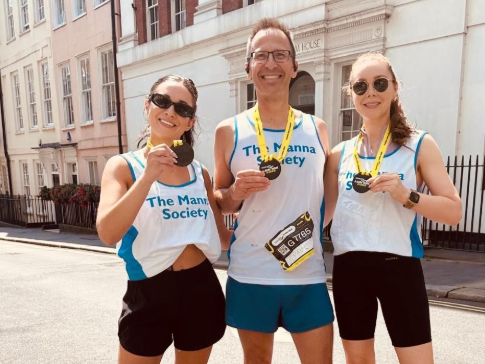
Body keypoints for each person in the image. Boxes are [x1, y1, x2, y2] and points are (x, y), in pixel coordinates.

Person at [324, 52, 462, 364]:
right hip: (349, 269)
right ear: (351, 94)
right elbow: (323, 215)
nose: (370, 92)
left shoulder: (419, 144)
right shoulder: (339, 154)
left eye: (380, 83)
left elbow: (454, 211)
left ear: (395, 88)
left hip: (399, 266)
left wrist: (406, 195)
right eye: (361, 86)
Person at [214, 18, 334, 364]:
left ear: (294, 66)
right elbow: (220, 202)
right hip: (251, 273)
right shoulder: (229, 131)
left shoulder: (317, 128)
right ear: (248, 67)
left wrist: (309, 232)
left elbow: (328, 196)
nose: (271, 64)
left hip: (307, 274)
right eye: (261, 55)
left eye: (280, 55)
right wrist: (236, 192)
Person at [97, 74, 231, 364]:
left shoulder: (200, 173)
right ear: (148, 106)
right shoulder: (123, 166)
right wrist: (148, 177)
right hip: (148, 288)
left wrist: (249, 202)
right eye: (162, 101)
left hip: (200, 288)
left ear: (190, 121)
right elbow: (107, 232)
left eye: (182, 108)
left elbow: (223, 238)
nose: (171, 111)